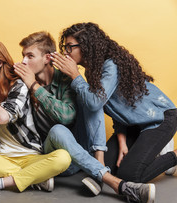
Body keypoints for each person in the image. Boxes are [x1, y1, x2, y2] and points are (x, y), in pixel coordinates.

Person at [14, 31, 156, 203]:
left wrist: (34, 86)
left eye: (30, 56)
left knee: (90, 100)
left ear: (47, 58)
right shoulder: (21, 84)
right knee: (58, 130)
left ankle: (98, 161)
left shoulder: (65, 80)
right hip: (56, 157)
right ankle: (117, 184)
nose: (24, 62)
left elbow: (66, 116)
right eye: (23, 56)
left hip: (81, 149)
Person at [51, 22, 177, 186]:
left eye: (70, 47)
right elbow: (118, 110)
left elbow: (95, 103)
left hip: (160, 118)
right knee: (109, 167)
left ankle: (171, 154)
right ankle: (151, 149)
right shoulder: (92, 71)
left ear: (86, 46)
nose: (66, 53)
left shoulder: (111, 65)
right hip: (135, 124)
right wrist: (122, 142)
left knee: (131, 174)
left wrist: (75, 75)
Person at [0, 40, 71, 196]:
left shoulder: (18, 85)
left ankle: (0, 183)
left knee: (63, 158)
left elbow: (3, 117)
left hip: (30, 155)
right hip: (0, 157)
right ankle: (35, 178)